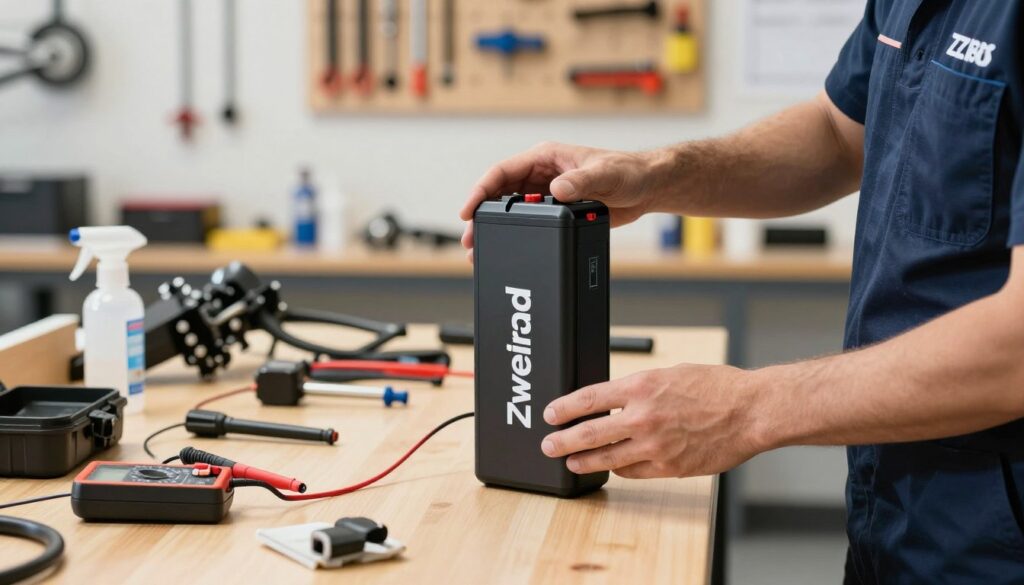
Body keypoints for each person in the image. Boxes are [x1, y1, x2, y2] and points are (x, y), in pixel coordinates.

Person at [458, 2, 1024, 582]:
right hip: (892, 516)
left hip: (992, 543)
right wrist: (654, 173)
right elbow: (837, 132)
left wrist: (745, 411)